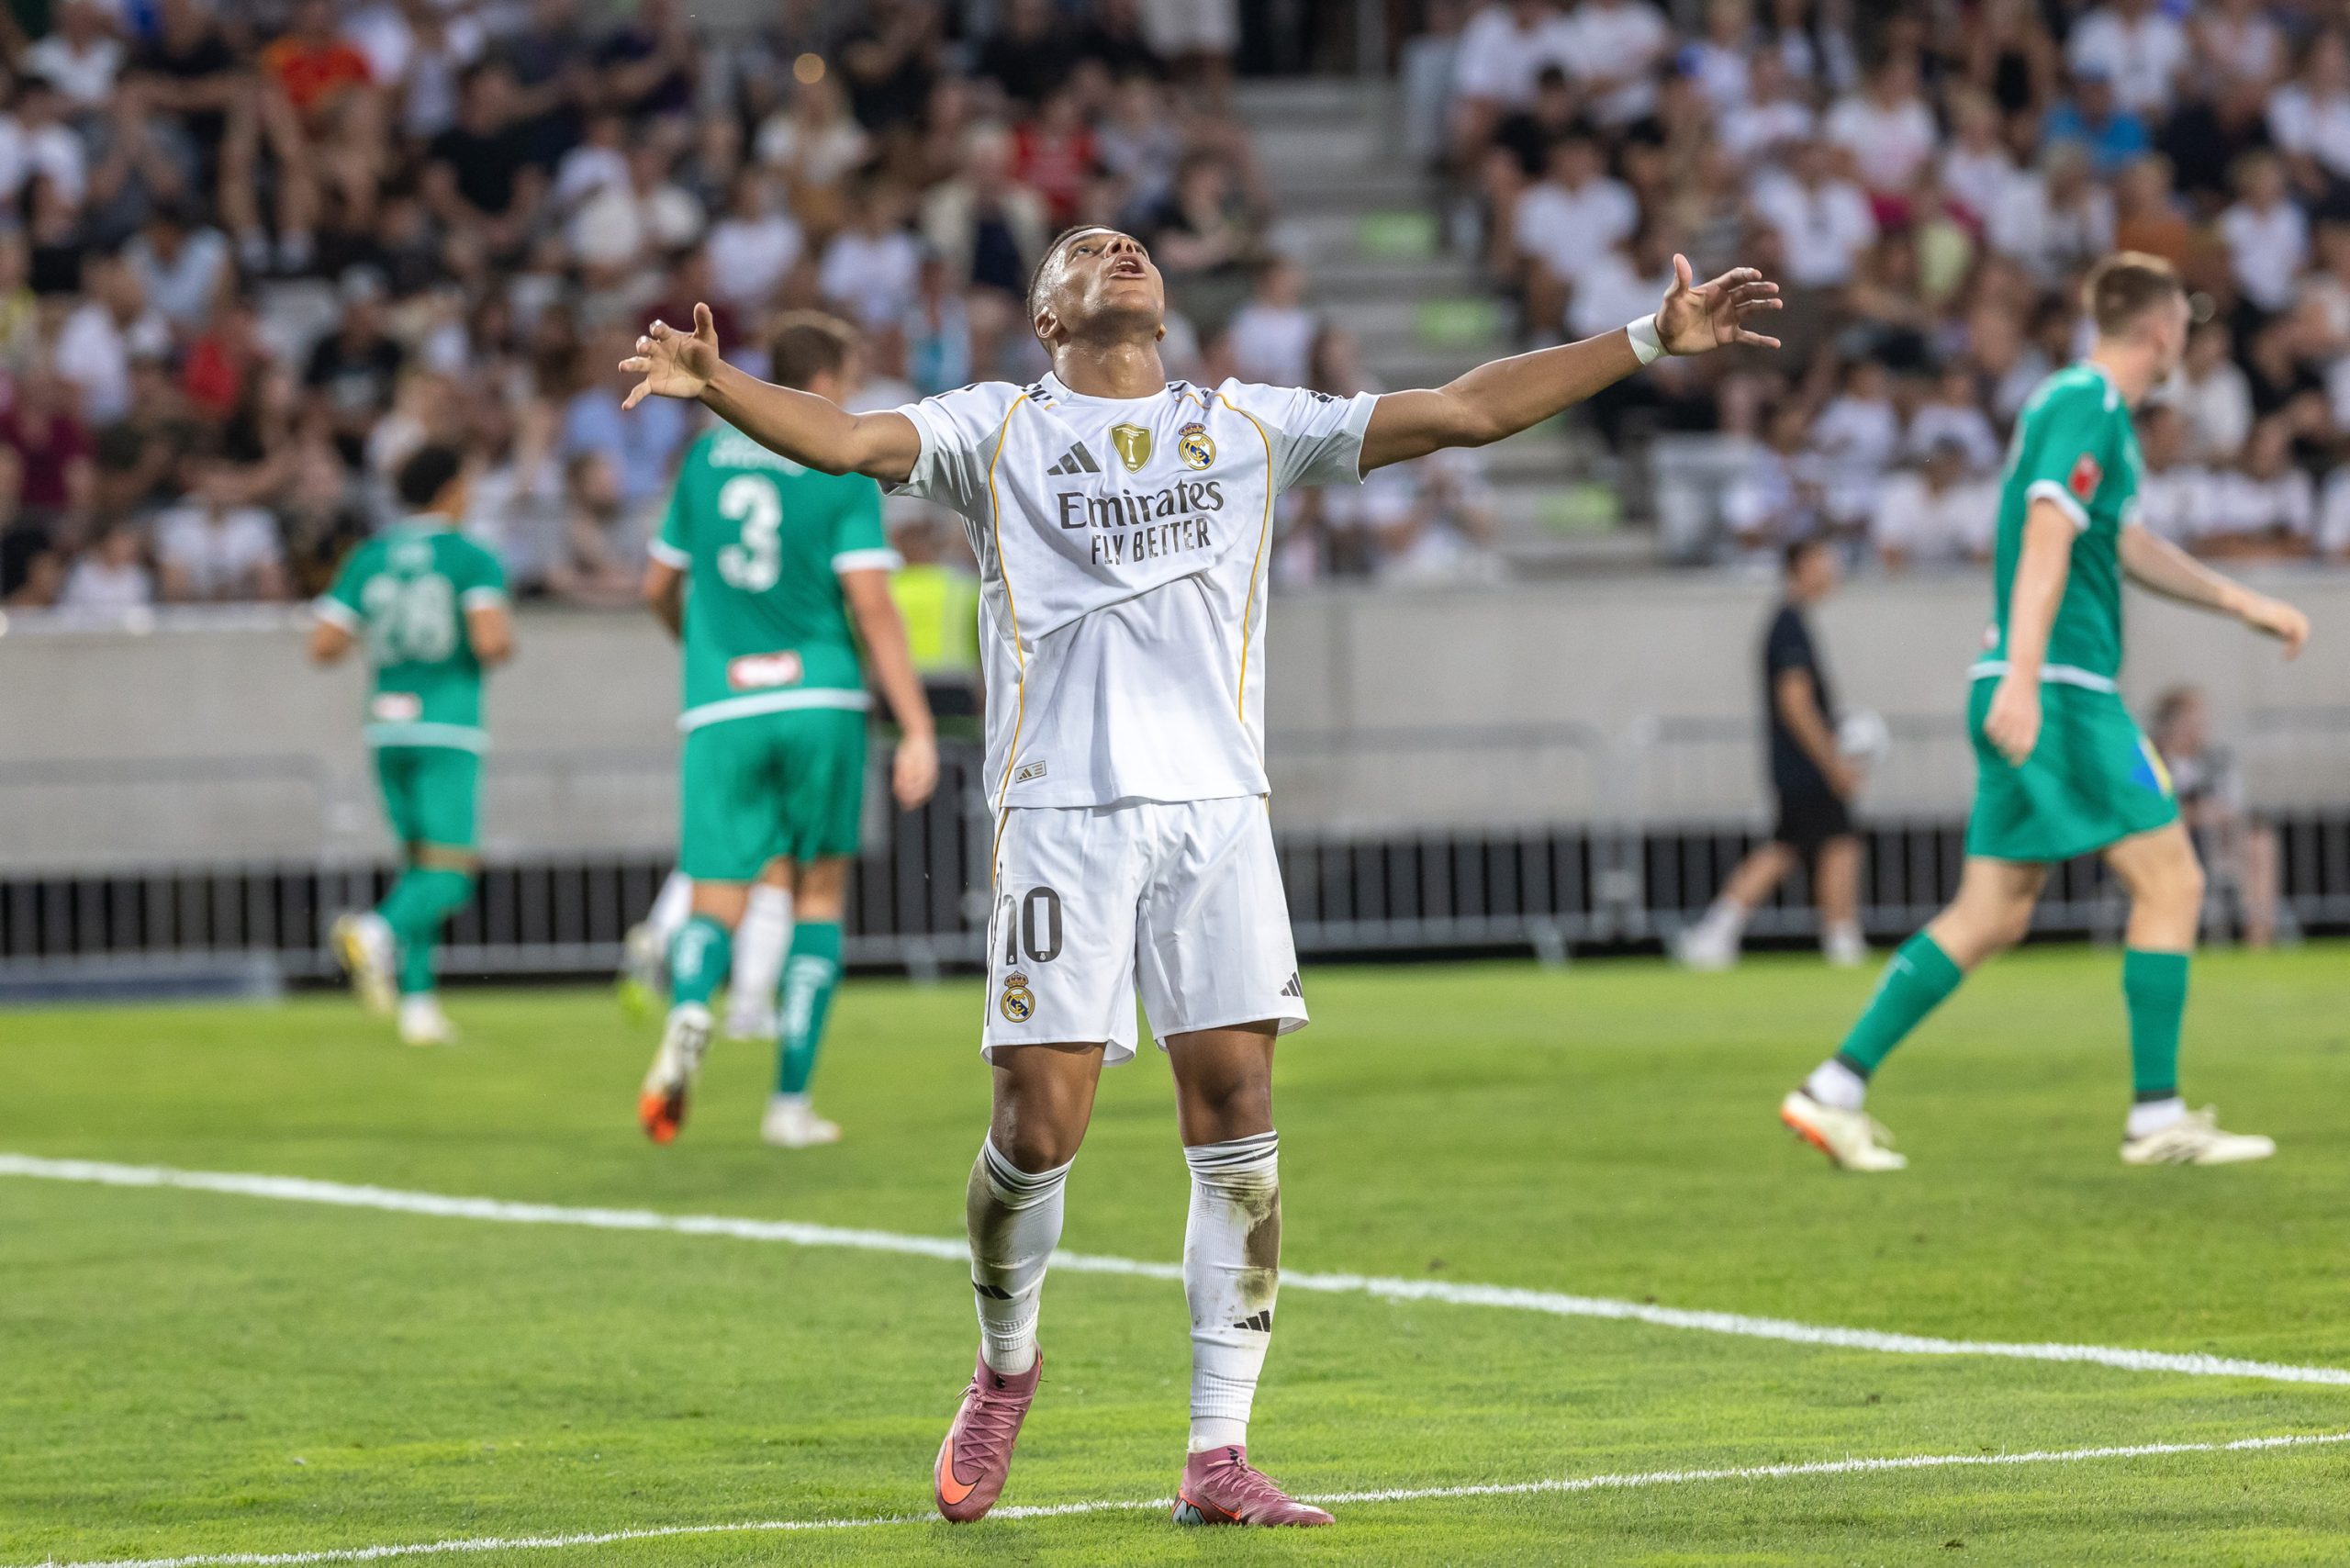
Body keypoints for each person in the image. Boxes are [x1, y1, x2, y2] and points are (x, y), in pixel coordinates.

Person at [619, 224, 1781, 1526]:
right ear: (1046, 319)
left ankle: (1217, 1454)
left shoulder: (1247, 423)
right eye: (1078, 250)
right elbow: (846, 441)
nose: (1116, 248)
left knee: (1240, 1131)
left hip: (1218, 817)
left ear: (1164, 308)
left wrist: (1642, 340)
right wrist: (720, 385)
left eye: (1132, 246)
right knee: (1035, 1128)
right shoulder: (992, 427)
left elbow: (1462, 408)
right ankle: (1006, 1368)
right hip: (1061, 813)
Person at [1780, 254, 2310, 1174]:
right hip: (2061, 687)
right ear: (2160, 330)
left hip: (2032, 677)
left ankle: (1833, 1088)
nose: (2185, 337)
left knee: (1989, 914)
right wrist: (2026, 675)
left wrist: (2238, 602)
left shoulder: (2076, 409)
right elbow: (2045, 534)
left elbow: (2123, 540)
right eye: (2182, 323)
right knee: (2174, 882)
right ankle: (2156, 1115)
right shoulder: (2088, 403)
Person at [632, 312, 938, 1151]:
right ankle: (789, 1104)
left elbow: (659, 584)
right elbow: (872, 606)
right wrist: (915, 726)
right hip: (820, 698)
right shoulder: (833, 458)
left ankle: (693, 1002)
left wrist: (697, 646)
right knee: (817, 895)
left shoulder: (703, 455)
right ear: (833, 378)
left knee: (717, 890)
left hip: (722, 703)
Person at [312, 444, 514, 1048]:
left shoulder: (369, 557)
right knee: (451, 875)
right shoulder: (470, 558)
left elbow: (322, 645)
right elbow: (490, 642)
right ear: (451, 489)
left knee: (418, 866)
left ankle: (418, 1003)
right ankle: (373, 932)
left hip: (386, 726)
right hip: (445, 726)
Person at [1675, 538, 1866, 970]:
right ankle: (1840, 939)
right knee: (1832, 844)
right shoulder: (1788, 624)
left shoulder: (1792, 621)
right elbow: (1795, 702)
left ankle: (1719, 931)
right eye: (1823, 561)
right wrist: (1831, 759)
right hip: (1803, 763)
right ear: (1799, 566)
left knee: (1794, 845)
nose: (1831, 571)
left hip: (1799, 762)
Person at [2151, 685, 2282, 949]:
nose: (2199, 728)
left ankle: (2259, 936)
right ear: (2171, 725)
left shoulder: (2216, 760)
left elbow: (2232, 806)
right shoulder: (2149, 760)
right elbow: (2147, 808)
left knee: (2259, 843)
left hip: (2216, 843)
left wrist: (2211, 815)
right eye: (2191, 722)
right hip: (2167, 845)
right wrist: (2194, 814)